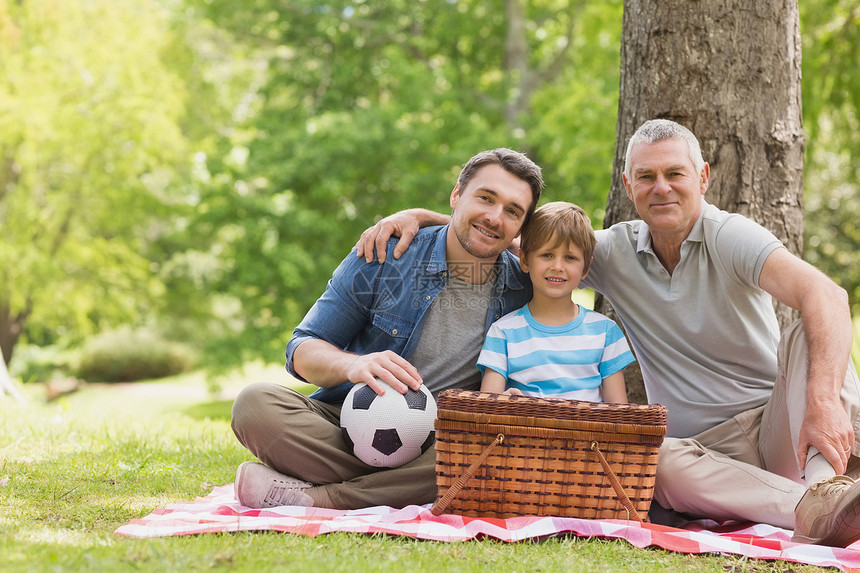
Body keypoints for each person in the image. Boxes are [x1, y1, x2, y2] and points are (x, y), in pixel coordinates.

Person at [358, 119, 860, 548]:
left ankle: (828, 492)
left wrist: (820, 403)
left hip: (778, 427)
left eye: (674, 174)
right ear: (628, 185)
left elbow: (828, 296)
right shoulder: (613, 252)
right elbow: (527, 243)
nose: (661, 187)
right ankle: (814, 509)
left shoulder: (731, 236)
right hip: (700, 454)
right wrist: (423, 217)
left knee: (809, 334)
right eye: (647, 176)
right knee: (647, 460)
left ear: (702, 178)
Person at [230, 148, 544, 510]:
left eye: (512, 211)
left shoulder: (526, 280)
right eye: (485, 198)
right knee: (254, 405)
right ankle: (395, 488)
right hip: (351, 420)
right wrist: (352, 366)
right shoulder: (384, 252)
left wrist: (426, 215)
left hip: (444, 440)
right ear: (457, 194)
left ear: (522, 226)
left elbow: (574, 252)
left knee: (500, 441)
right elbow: (302, 349)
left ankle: (323, 497)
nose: (494, 217)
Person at [477, 201, 632, 403]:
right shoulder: (503, 333)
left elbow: (619, 416)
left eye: (570, 257)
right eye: (547, 255)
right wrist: (503, 402)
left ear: (585, 268)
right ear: (524, 260)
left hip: (589, 434)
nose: (558, 266)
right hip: (523, 432)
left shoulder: (605, 332)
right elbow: (485, 411)